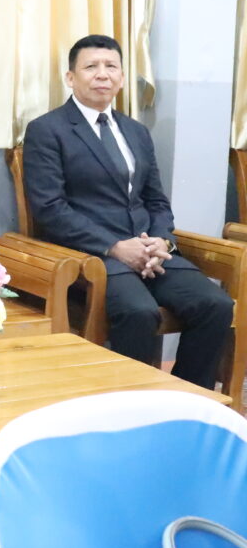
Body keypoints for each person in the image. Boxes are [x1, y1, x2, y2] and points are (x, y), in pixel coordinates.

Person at [23, 34, 232, 388]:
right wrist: (115, 247)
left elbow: (156, 200)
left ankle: (186, 398)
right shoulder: (47, 130)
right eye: (91, 66)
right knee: (139, 312)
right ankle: (132, 403)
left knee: (215, 304)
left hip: (150, 251)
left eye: (111, 66)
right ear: (70, 77)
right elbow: (50, 209)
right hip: (93, 255)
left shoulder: (135, 132)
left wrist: (162, 242)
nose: (102, 74)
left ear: (121, 78)